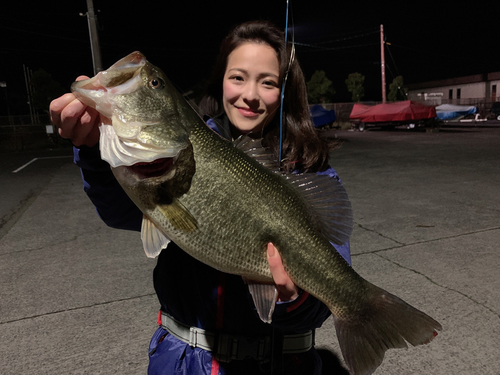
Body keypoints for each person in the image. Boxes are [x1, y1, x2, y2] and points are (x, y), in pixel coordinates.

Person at [50, 20, 351, 375]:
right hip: (182, 362)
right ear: (220, 79)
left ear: (286, 91)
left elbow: (325, 291)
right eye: (237, 77)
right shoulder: (180, 152)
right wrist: (93, 153)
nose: (250, 94)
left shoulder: (310, 172)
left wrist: (295, 300)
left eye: (267, 82)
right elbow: (119, 213)